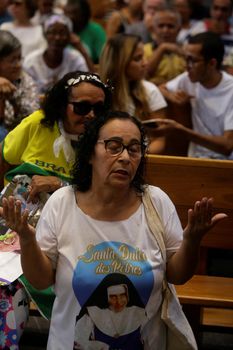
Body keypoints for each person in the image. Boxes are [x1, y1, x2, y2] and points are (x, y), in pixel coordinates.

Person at [0, 110, 227, 349]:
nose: (125, 157)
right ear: (89, 153)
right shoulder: (62, 203)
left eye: (134, 148)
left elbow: (178, 275)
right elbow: (40, 279)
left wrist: (192, 240)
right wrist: (26, 238)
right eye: (114, 146)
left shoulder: (155, 201)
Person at [0, 71, 112, 348]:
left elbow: (108, 193)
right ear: (63, 103)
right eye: (82, 107)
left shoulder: (105, 140)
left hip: (73, 235)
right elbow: (6, 159)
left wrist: (60, 183)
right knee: (4, 283)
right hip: (15, 227)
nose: (90, 115)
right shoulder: (38, 124)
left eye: (99, 108)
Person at [159, 31, 233, 159]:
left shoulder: (230, 89)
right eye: (186, 59)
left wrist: (182, 131)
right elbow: (160, 88)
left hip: (226, 164)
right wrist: (173, 97)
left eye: (192, 60)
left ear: (212, 63)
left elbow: (227, 146)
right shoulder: (189, 79)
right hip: (196, 158)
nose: (186, 66)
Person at [99, 33, 167, 154]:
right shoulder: (98, 92)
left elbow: (159, 140)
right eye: (137, 58)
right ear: (119, 62)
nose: (145, 63)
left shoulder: (150, 91)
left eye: (144, 57)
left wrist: (135, 157)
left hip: (141, 158)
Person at [74, 273, 147, 349]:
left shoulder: (138, 313)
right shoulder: (93, 314)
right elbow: (78, 340)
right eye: (113, 297)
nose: (119, 302)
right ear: (105, 297)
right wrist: (103, 347)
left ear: (128, 295)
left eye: (122, 295)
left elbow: (151, 341)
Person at [23, 14, 90, 94]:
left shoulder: (75, 60)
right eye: (52, 32)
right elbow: (26, 93)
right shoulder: (31, 62)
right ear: (45, 35)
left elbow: (87, 85)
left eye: (62, 33)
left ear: (69, 37)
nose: (57, 37)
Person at [0, 30, 39, 141]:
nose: (18, 65)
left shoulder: (25, 79)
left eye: (19, 58)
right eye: (12, 60)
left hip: (21, 138)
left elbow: (33, 117)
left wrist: (13, 98)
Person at [144, 7, 186, 85]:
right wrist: (162, 48)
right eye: (161, 26)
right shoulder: (143, 50)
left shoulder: (186, 50)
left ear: (179, 30)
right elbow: (143, 77)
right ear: (153, 29)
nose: (165, 30)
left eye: (170, 26)